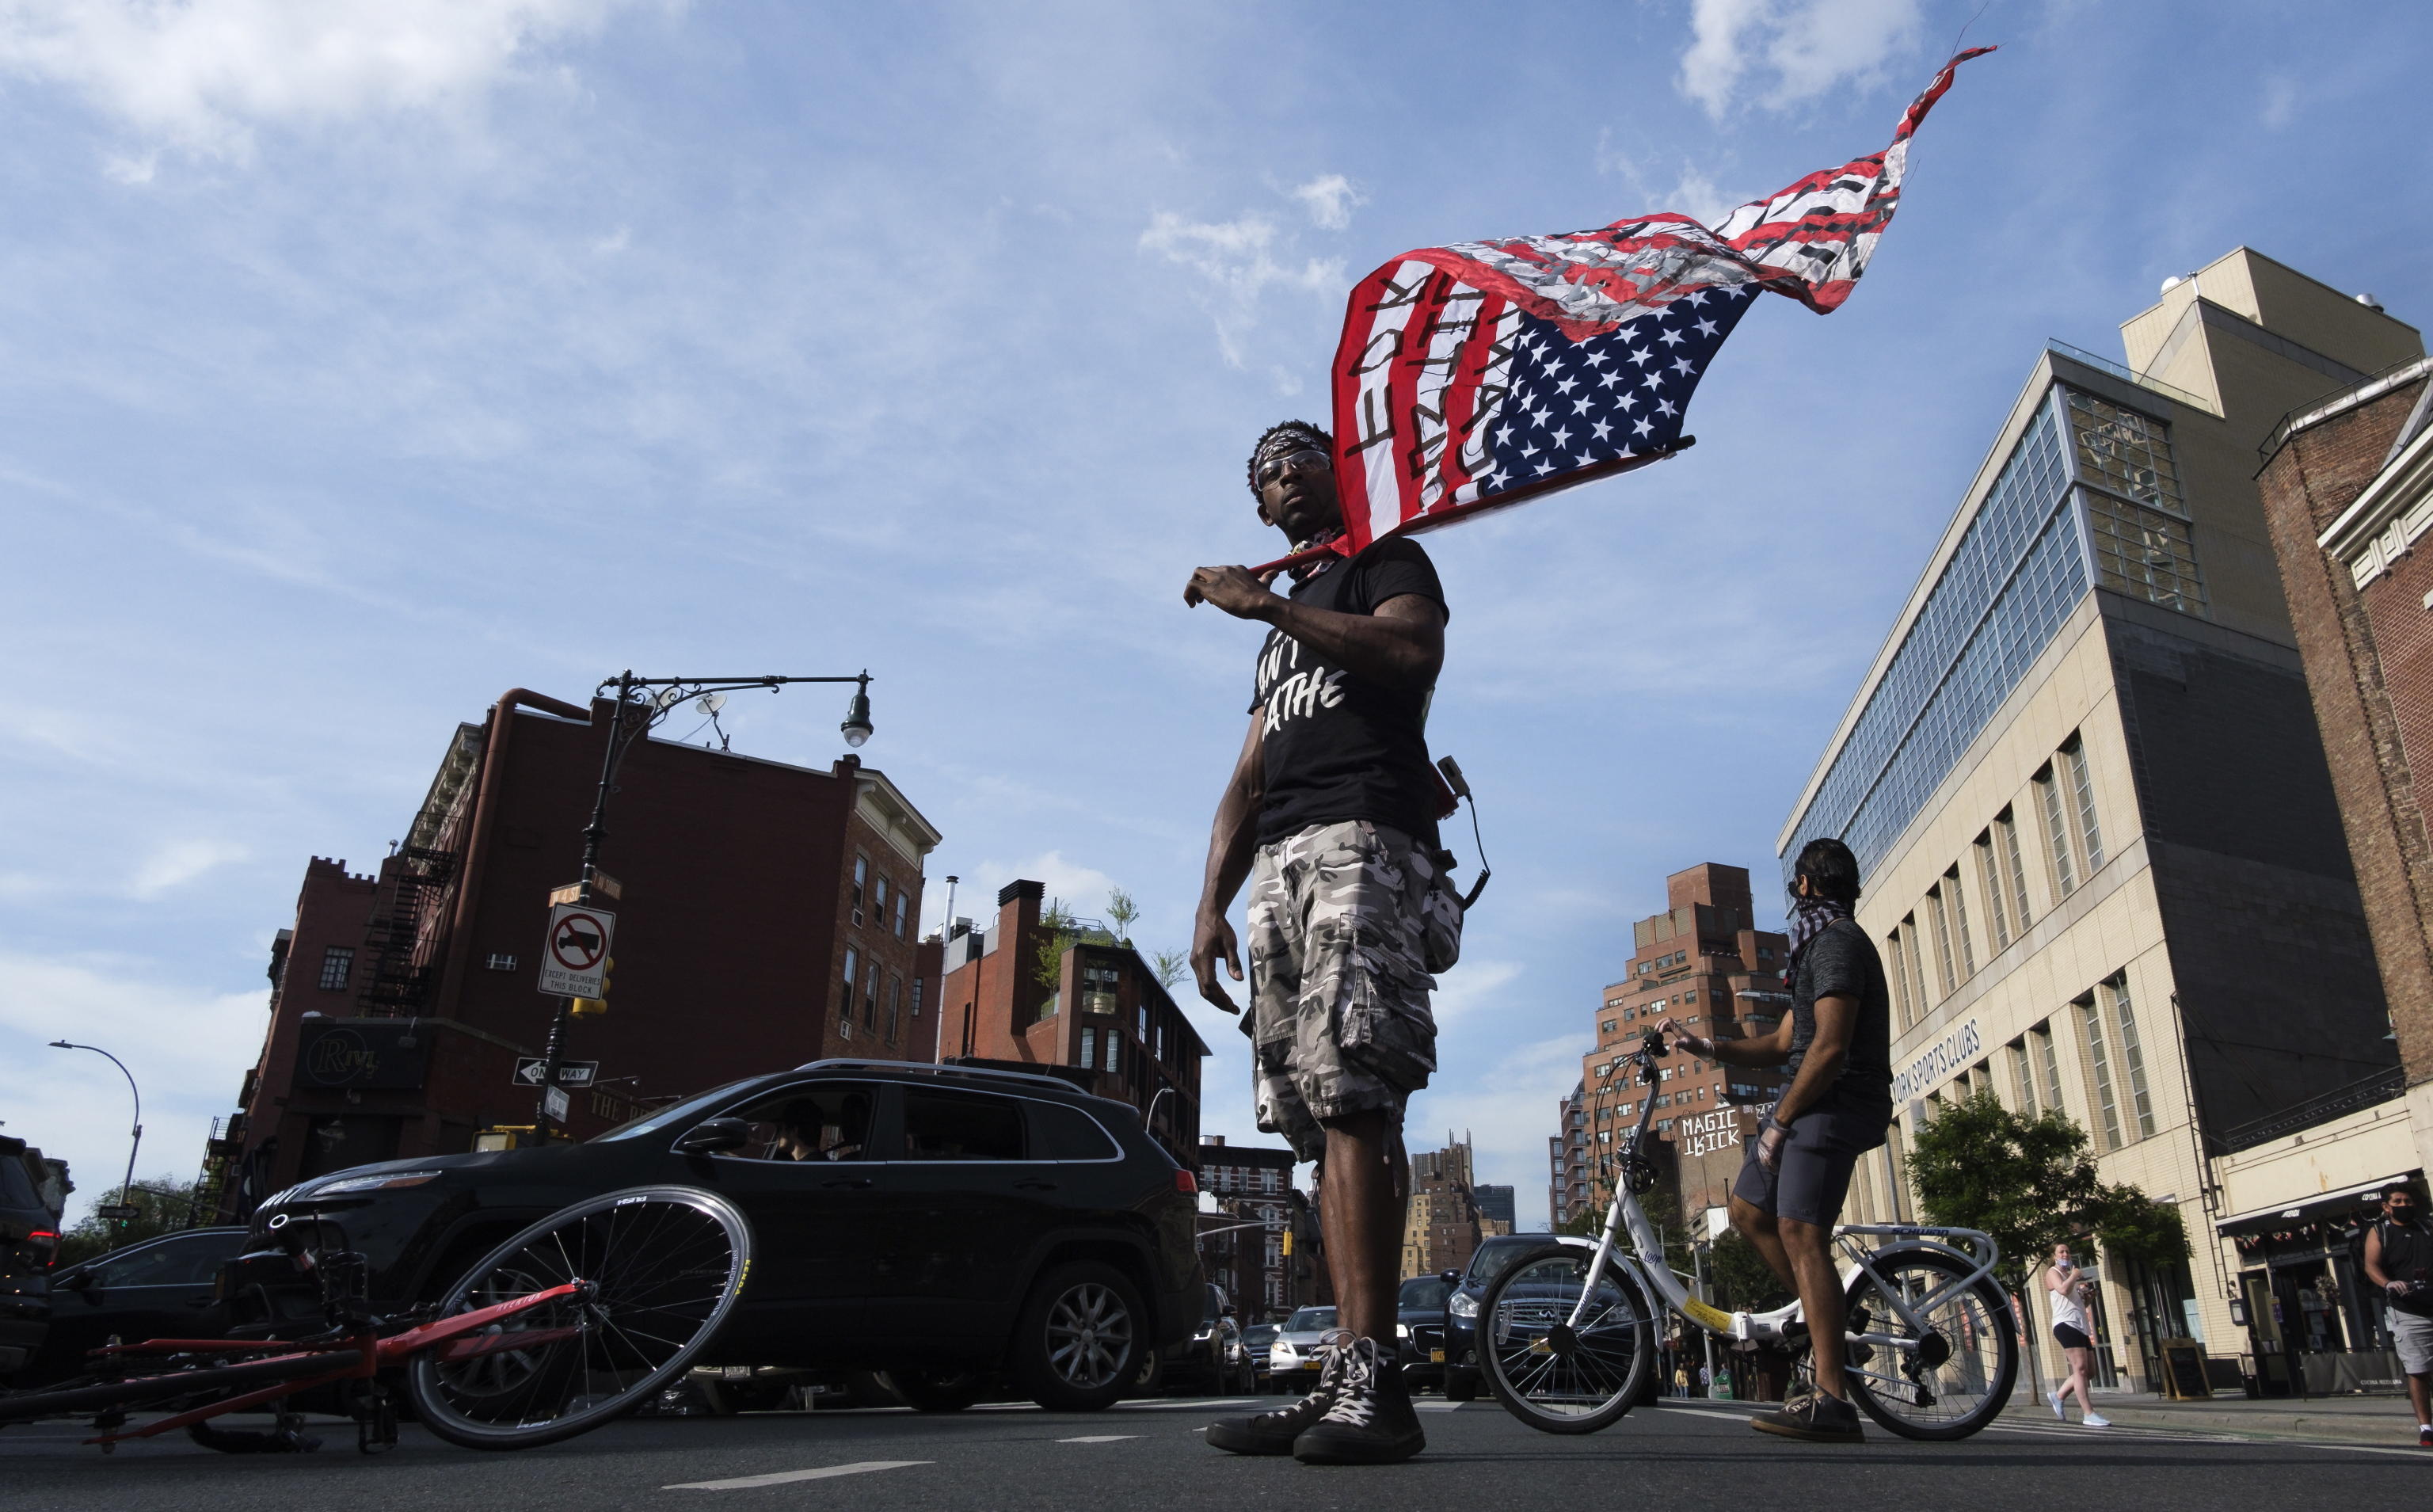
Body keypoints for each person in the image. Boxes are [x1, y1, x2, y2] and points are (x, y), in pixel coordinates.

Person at [1189, 420, 1449, 1467]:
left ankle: (1371, 1381)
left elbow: (1413, 650)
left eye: (1302, 457)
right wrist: (1208, 899)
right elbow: (1248, 775)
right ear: (1258, 508)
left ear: (1340, 473)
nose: (1286, 475)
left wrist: (1268, 602)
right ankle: (1342, 1376)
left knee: (1357, 1097)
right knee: (1310, 1117)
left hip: (1362, 837)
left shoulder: (1386, 562)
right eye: (1266, 472)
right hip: (1280, 866)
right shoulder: (1277, 639)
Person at [1659, 836, 1891, 1444]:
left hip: (1834, 1103)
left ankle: (1834, 1400)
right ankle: (1833, 1319)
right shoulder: (1815, 947)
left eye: (1796, 888)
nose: (1794, 899)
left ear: (1809, 887)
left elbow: (1831, 1047)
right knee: (1746, 1210)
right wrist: (1706, 1045)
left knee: (1799, 1229)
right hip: (1807, 1098)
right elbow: (1787, 1040)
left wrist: (1782, 1119)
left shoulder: (1839, 942)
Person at [2359, 1183, 2432, 1446]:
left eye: (2408, 1201)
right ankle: (2426, 1427)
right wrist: (2388, 1283)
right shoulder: (2380, 1231)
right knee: (2419, 1370)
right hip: (2408, 1311)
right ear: (2386, 1207)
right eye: (2398, 1201)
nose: (2404, 1205)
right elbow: (2371, 1266)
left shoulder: (2427, 1228)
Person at [2043, 1242, 2111, 1428]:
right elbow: (2063, 1290)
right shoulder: (2053, 1273)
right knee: (2079, 1368)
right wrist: (2074, 1276)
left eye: (2067, 1251)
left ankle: (2058, 1396)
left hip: (2080, 1325)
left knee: (2089, 1372)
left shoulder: (2068, 1275)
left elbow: (2077, 1303)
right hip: (2065, 1324)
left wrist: (2087, 1298)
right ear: (2054, 1255)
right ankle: (2089, 1413)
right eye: (2061, 1252)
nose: (2065, 1254)